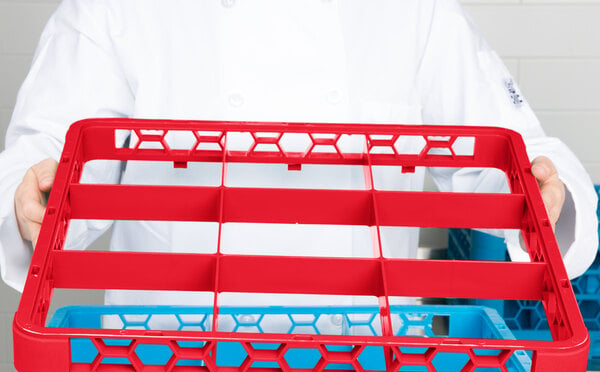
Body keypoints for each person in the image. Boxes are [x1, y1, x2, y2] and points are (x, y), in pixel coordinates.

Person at [0, 0, 597, 305]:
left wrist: (545, 195)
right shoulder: (119, 7)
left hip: (362, 370)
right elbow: (49, 151)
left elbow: (511, 152)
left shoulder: (414, 12)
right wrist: (33, 194)